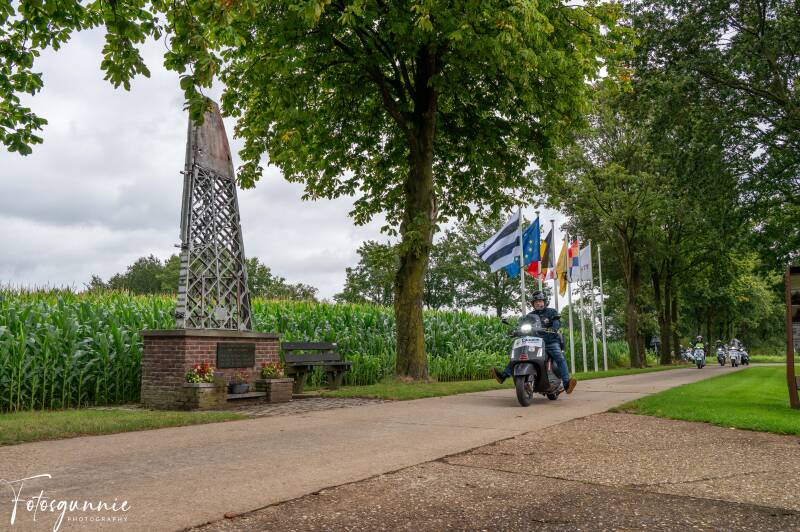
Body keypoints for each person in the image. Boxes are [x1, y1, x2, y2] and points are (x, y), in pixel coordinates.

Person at [491, 290, 577, 394]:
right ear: (533, 304)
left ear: (544, 302)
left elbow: (556, 321)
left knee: (559, 357)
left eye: (540, 301)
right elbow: (521, 325)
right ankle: (503, 376)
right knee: (519, 355)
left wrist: (554, 327)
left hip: (550, 341)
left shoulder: (551, 312)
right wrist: (515, 331)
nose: (538, 303)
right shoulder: (529, 316)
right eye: (536, 302)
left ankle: (566, 383)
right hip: (535, 342)